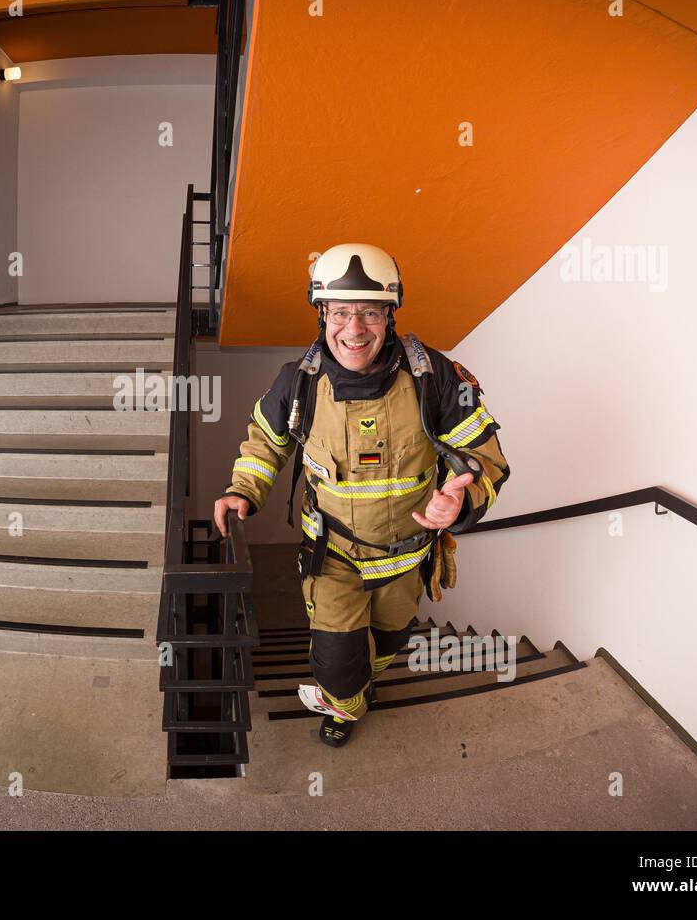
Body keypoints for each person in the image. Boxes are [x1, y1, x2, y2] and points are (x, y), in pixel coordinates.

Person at [213, 243, 510, 747]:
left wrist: (462, 499)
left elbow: (488, 462)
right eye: (341, 312)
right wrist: (242, 489)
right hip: (331, 557)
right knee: (336, 661)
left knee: (389, 642)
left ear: (389, 315)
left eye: (370, 312)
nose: (354, 328)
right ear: (322, 313)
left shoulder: (436, 378)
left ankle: (359, 685)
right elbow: (266, 442)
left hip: (407, 557)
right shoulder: (297, 383)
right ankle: (347, 707)